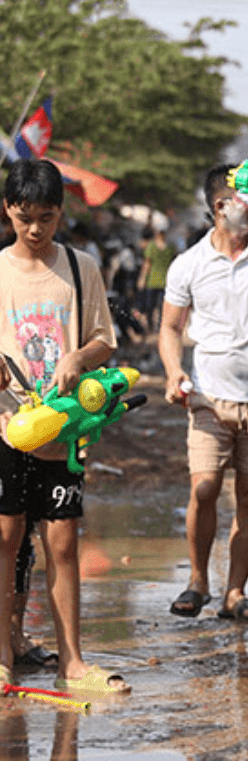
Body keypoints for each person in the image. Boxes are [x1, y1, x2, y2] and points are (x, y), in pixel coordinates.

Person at [0, 159, 128, 694]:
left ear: (61, 213)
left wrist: (80, 356)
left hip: (64, 426)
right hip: (7, 425)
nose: (35, 229)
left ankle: (72, 661)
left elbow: (107, 340)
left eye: (46, 217)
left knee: (63, 542)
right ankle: (3, 655)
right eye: (25, 216)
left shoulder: (82, 268)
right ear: (8, 209)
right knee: (5, 538)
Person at [160, 165, 248, 621]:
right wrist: (174, 371)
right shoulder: (188, 263)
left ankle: (235, 592)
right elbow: (171, 328)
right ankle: (198, 581)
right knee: (205, 487)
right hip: (208, 399)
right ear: (220, 208)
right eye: (246, 199)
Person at [138, 223, 175, 331]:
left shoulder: (170, 247)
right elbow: (147, 263)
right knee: (151, 305)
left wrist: (142, 279)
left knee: (161, 305)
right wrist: (143, 278)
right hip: (153, 280)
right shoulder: (152, 246)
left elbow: (173, 262)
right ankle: (151, 324)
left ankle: (159, 325)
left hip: (165, 280)